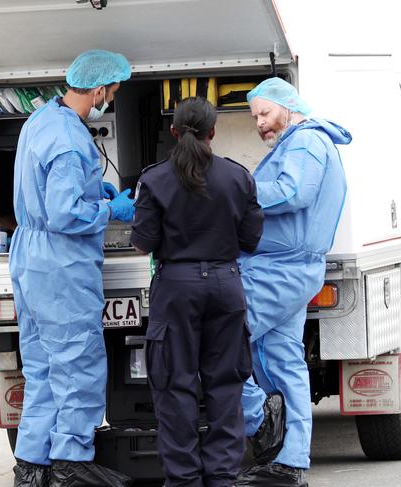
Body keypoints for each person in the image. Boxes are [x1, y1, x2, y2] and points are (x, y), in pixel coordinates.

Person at [9, 49, 134, 486]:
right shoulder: (68, 140)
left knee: (42, 365)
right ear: (99, 88)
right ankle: (71, 462)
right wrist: (111, 209)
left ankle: (31, 465)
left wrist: (89, 188)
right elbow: (65, 214)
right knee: (78, 362)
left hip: (29, 256)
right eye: (113, 92)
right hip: (62, 260)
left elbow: (46, 192)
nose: (112, 100)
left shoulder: (41, 120)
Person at [131, 97, 264, 487]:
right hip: (225, 284)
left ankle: (185, 479)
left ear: (173, 132)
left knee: (175, 385)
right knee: (226, 383)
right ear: (213, 132)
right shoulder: (238, 177)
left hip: (175, 289)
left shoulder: (154, 179)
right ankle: (222, 477)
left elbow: (143, 243)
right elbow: (252, 240)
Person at [234, 77, 351, 487]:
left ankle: (261, 420)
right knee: (285, 363)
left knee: (219, 338)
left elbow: (293, 193)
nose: (260, 123)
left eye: (264, 113)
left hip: (278, 270)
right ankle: (289, 461)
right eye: (255, 117)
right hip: (287, 269)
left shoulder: (304, 143)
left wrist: (236, 191)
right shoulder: (302, 143)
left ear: (288, 105)